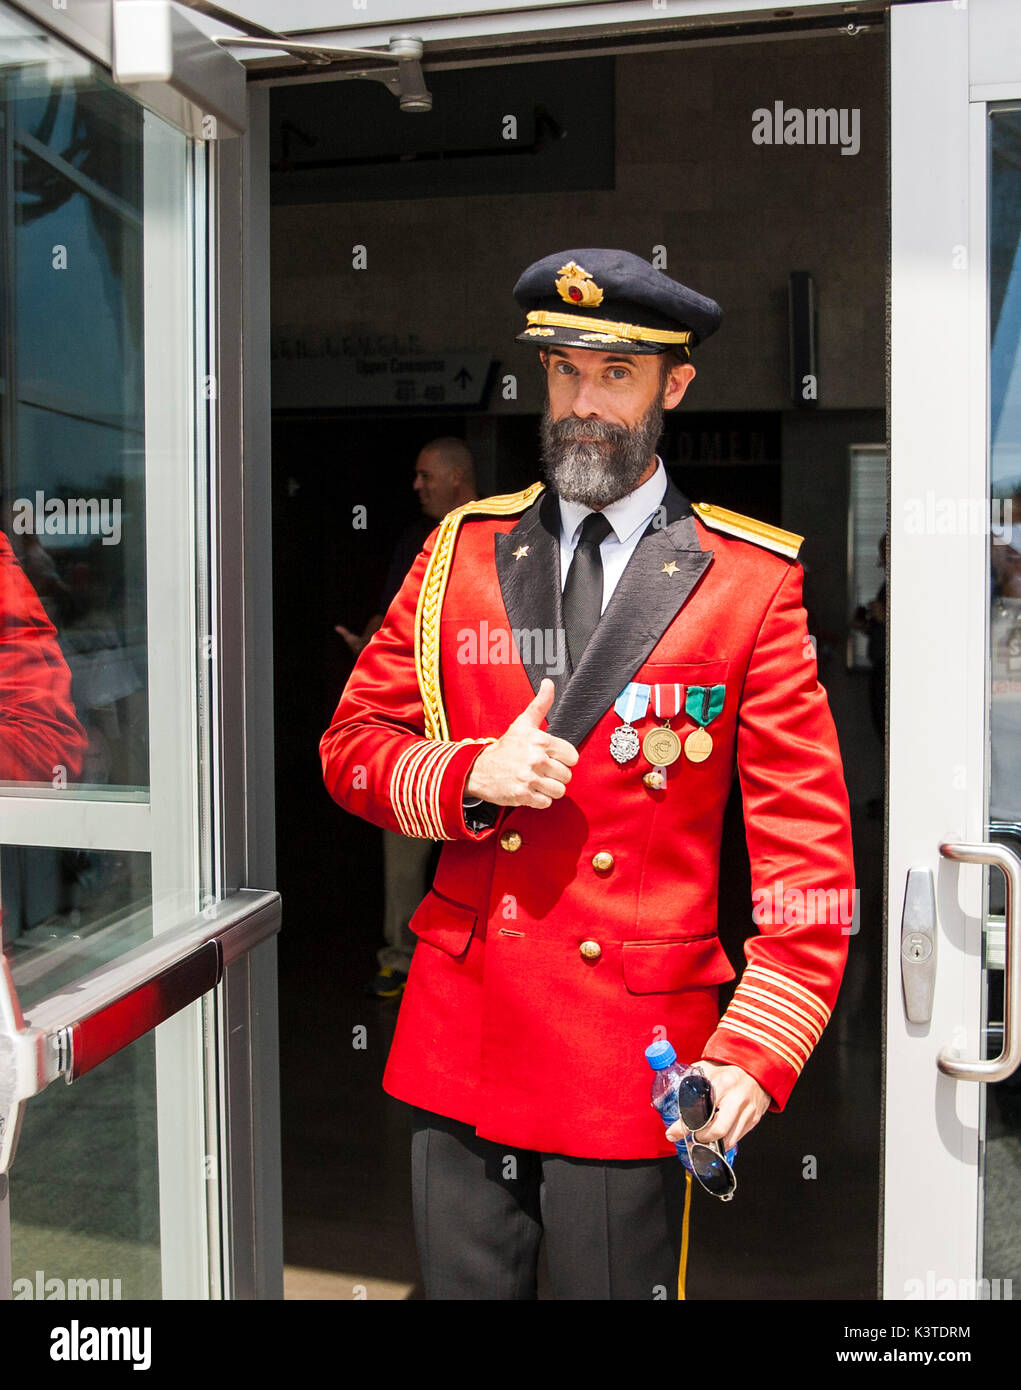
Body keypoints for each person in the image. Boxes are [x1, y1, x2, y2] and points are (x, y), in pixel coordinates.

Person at [320, 249, 855, 1299]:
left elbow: (807, 854)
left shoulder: (748, 582)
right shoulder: (459, 554)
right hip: (466, 1029)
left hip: (634, 1051)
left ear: (674, 386)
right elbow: (352, 748)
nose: (583, 404)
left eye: (616, 376)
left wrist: (755, 1047)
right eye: (564, 372)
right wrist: (472, 771)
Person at [335, 438, 478, 999]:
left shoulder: (503, 534)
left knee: (487, 849)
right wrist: (368, 643)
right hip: (416, 732)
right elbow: (392, 619)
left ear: (457, 477)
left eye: (425, 475)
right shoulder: (413, 541)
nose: (415, 487)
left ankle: (479, 964)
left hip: (482, 725)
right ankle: (399, 957)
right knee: (403, 856)